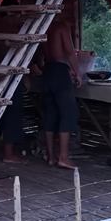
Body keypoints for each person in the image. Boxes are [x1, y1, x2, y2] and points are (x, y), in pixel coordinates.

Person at [0, 0, 27, 164]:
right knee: (12, 112)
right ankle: (8, 154)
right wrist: (27, 75)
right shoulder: (15, 28)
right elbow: (21, 55)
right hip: (10, 75)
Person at [39, 18, 82, 169]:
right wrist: (77, 74)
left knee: (50, 114)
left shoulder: (41, 27)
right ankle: (63, 157)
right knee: (68, 113)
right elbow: (70, 52)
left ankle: (51, 157)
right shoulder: (61, 26)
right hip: (60, 72)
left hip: (47, 72)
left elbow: (39, 58)